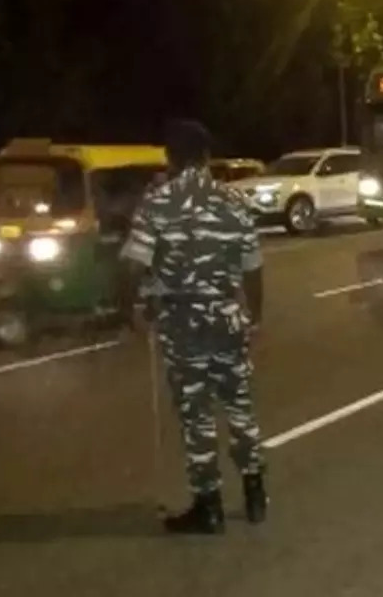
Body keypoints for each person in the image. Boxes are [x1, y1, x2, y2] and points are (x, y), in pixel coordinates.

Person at [120, 120, 268, 534]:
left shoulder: (159, 202)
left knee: (196, 415)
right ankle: (255, 494)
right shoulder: (235, 202)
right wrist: (255, 318)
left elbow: (132, 265)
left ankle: (210, 506)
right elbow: (253, 269)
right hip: (227, 316)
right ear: (206, 157)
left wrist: (128, 309)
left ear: (170, 157)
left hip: (182, 322)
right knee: (239, 406)